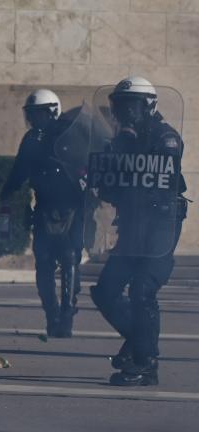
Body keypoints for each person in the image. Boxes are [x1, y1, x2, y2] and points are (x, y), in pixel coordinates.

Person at [89, 77, 188, 386]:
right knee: (106, 290)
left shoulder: (165, 137)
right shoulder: (121, 139)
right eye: (121, 106)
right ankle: (138, 342)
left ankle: (146, 363)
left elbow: (159, 172)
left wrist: (130, 146)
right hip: (131, 225)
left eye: (132, 106)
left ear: (149, 106)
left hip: (160, 225)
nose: (126, 113)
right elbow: (111, 184)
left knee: (143, 290)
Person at [0, 89, 85, 338]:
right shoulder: (31, 140)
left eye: (39, 114)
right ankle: (52, 315)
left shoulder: (71, 135)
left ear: (53, 112)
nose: (35, 120)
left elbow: (87, 166)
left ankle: (67, 316)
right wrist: (7, 191)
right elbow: (19, 170)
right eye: (32, 115)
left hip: (71, 208)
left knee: (70, 260)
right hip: (44, 208)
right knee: (44, 264)